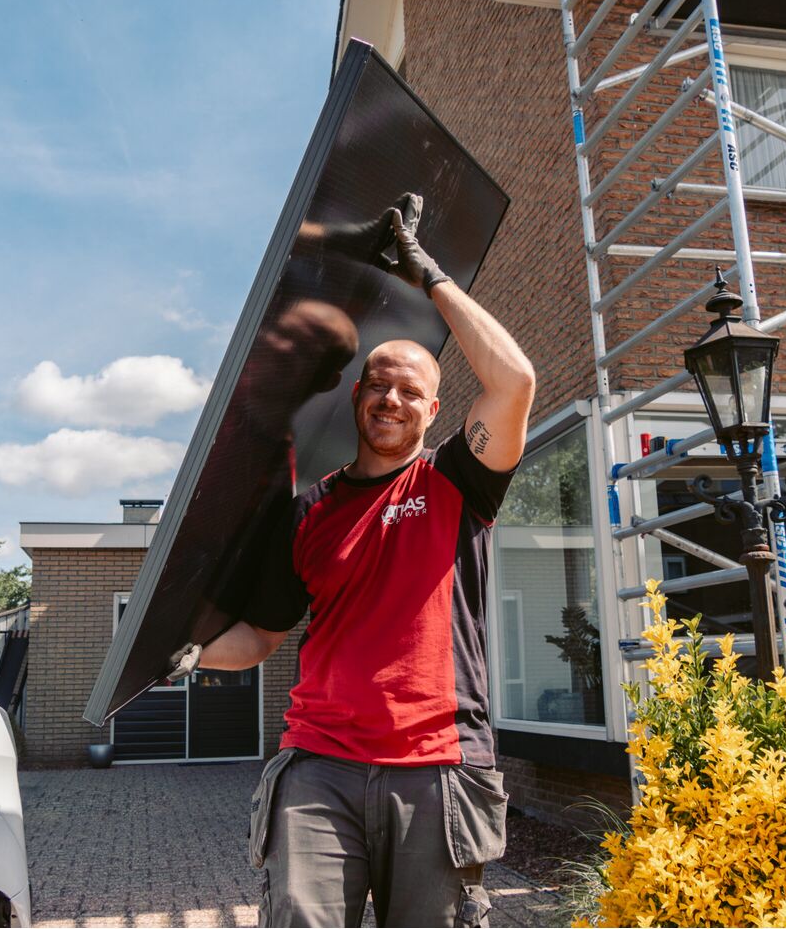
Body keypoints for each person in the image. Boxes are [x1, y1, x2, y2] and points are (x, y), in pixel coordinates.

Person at [189, 196, 534, 927]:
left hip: (438, 765)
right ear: (356, 395)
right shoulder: (308, 509)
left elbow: (515, 383)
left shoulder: (455, 481)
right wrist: (179, 654)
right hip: (320, 763)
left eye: (411, 390)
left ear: (435, 410)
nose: (392, 399)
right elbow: (261, 636)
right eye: (379, 383)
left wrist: (432, 276)